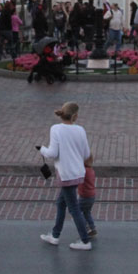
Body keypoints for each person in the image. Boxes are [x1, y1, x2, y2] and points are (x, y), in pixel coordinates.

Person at [37, 102, 93, 250]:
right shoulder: (80, 130)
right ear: (76, 116)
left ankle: (85, 241)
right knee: (61, 203)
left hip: (65, 174)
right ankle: (55, 235)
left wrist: (42, 149)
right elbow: (87, 154)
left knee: (74, 208)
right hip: (78, 173)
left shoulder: (55, 129)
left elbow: (53, 154)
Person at [78, 157, 97, 239]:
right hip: (92, 196)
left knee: (77, 211)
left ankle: (87, 228)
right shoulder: (91, 170)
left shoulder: (83, 171)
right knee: (87, 212)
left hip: (84, 196)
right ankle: (92, 228)